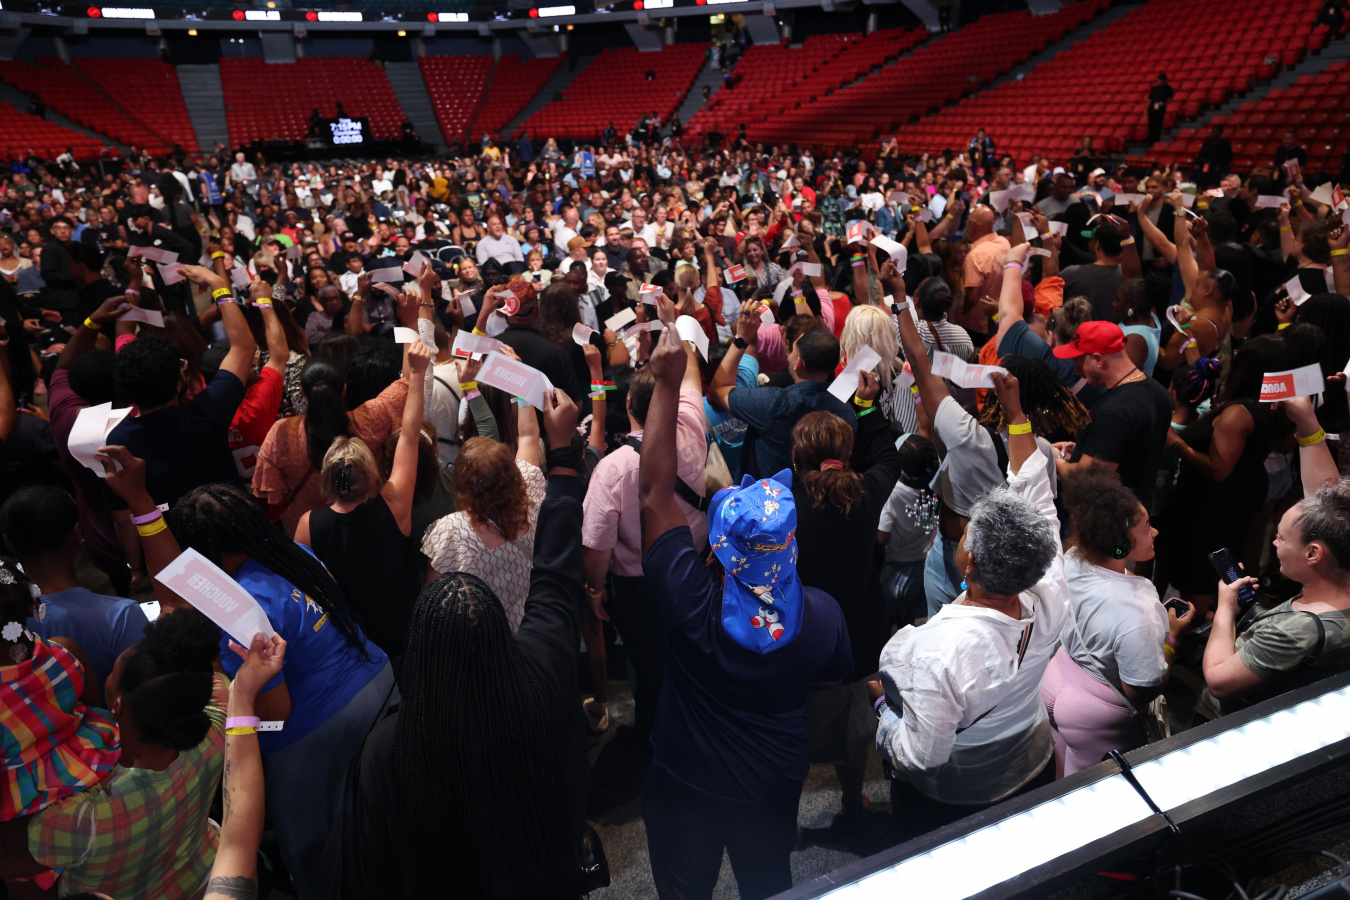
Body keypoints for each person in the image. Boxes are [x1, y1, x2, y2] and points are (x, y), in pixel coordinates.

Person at [328, 387, 590, 899]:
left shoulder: (389, 747)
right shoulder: (541, 679)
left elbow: (376, 861)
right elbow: (557, 581)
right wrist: (559, 453)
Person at [638, 325, 852, 900]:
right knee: (769, 887)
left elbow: (654, 494)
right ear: (789, 544)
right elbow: (832, 682)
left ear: (719, 548)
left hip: (687, 783)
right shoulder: (823, 616)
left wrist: (666, 384)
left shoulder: (691, 600)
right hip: (772, 784)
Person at [162, 477, 395, 900]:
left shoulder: (239, 612)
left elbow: (275, 714)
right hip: (379, 685)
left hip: (320, 730)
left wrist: (228, 689)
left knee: (311, 852)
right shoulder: (295, 553)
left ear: (206, 547)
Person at [871, 369, 1065, 842]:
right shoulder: (1051, 584)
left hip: (962, 794)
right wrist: (1016, 415)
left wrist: (881, 708)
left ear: (970, 560)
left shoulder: (938, 652)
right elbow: (1036, 490)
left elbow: (921, 756)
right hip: (1032, 763)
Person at [19, 607, 230, 900]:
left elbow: (11, 859)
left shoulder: (81, 819)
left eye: (112, 673)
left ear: (117, 706)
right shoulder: (219, 724)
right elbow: (213, 679)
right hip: (204, 876)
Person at [583, 299, 708, 750]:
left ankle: (656, 741)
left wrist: (595, 591)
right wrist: (673, 325)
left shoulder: (613, 469)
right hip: (694, 568)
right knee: (691, 652)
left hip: (639, 589)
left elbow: (597, 547)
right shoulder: (692, 424)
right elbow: (688, 379)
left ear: (629, 406)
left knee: (649, 669)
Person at [1040, 467, 1195, 778]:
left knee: (1059, 772)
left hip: (1054, 680)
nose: (1155, 532)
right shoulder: (1137, 611)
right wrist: (1171, 639)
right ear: (1121, 544)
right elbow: (1141, 691)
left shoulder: (1073, 557)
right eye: (1146, 527)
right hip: (1094, 717)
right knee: (1093, 791)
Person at [791, 397, 902, 818]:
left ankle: (786, 817)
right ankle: (853, 800)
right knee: (855, 734)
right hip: (860, 637)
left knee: (793, 733)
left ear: (797, 457)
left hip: (802, 640)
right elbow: (889, 457)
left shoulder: (783, 507)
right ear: (848, 454)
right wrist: (867, 407)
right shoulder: (867, 494)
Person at [1203, 396, 1349, 707]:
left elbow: (1218, 681)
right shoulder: (1341, 556)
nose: (1274, 543)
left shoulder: (1295, 634)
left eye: (1281, 538)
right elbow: (1328, 509)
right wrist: (1307, 423)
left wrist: (1226, 609)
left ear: (1313, 554)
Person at [295, 341, 431, 668]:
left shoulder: (309, 525)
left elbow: (305, 590)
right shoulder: (394, 504)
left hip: (353, 648)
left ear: (326, 478)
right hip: (406, 639)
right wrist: (417, 375)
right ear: (372, 472)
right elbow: (410, 436)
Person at [1156, 335, 1293, 619]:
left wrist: (1175, 441)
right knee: (1225, 555)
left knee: (1201, 565)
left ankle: (1196, 627)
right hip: (1246, 487)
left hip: (1217, 499)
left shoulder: (1238, 414)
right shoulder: (1275, 406)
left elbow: (1218, 470)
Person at [105, 266, 255, 509]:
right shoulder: (208, 413)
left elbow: (123, 329)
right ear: (178, 383)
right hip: (229, 518)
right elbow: (243, 346)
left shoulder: (119, 441)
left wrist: (134, 280)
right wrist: (217, 283)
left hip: (167, 531)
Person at [1, 485, 147, 701]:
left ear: (8, 542)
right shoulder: (122, 616)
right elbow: (145, 697)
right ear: (79, 532)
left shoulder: (7, 617)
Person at [421, 397, 547, 634]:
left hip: (481, 642)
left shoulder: (449, 531)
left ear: (462, 484)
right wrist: (523, 386)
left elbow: (433, 601)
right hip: (529, 631)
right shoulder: (531, 494)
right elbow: (529, 435)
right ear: (510, 471)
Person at [252, 354, 409, 536]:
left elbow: (268, 495)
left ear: (303, 391)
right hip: (363, 526)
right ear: (344, 389)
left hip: (306, 531)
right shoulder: (370, 421)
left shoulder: (281, 433)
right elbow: (407, 385)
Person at [709, 308, 856, 479]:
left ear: (798, 363)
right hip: (821, 492)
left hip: (771, 493)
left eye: (792, 350)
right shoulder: (847, 413)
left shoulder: (773, 403)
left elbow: (718, 389)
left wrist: (741, 338)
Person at [1053, 321, 1172, 509]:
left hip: (1112, 518)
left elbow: (1088, 479)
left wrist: (1055, 460)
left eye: (1078, 362)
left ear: (1098, 360)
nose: (1077, 371)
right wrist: (1086, 450)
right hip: (1140, 508)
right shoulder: (1159, 392)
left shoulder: (1113, 412)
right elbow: (1131, 451)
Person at [1060, 221, 1127, 323]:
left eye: (1091, 240)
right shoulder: (1129, 277)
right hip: (1119, 333)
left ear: (1097, 244)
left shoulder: (1070, 275)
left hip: (1079, 333)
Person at [1146, 73, 1173, 145]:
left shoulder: (1168, 88)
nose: (1160, 82)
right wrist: (1146, 109)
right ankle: (1150, 140)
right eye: (1159, 80)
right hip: (1152, 108)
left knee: (1158, 125)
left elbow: (1169, 99)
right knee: (1151, 125)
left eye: (1162, 80)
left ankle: (1156, 141)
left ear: (1165, 81)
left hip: (1160, 109)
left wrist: (1162, 104)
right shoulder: (1154, 89)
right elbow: (1150, 99)